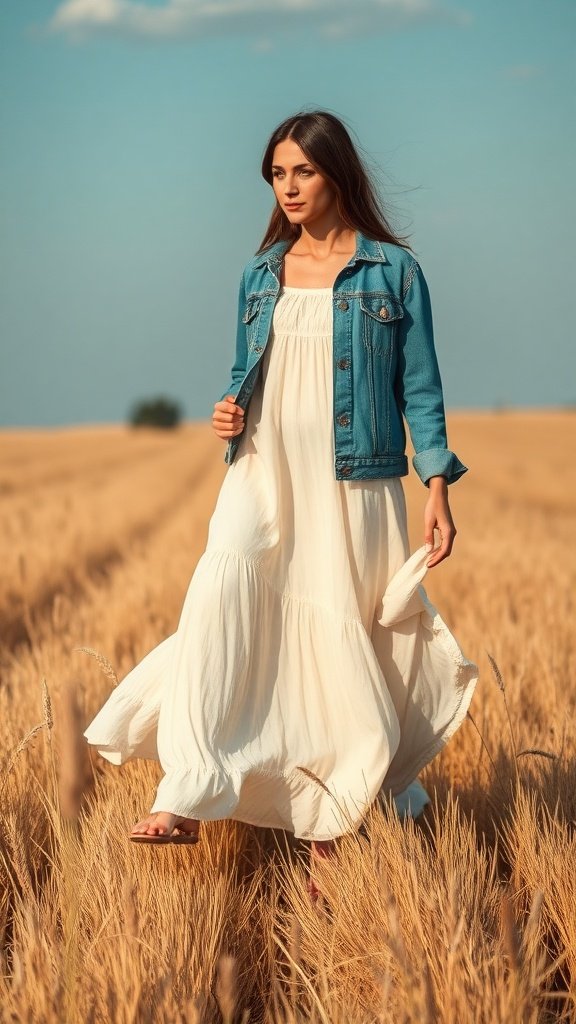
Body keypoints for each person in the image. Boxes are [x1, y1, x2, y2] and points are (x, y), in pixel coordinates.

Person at [83, 110, 477, 895]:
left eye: (302, 171)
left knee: (335, 637)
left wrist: (435, 486)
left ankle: (330, 820)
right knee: (219, 602)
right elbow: (241, 377)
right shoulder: (259, 273)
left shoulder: (392, 272)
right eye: (276, 174)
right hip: (260, 468)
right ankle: (189, 788)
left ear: (337, 174)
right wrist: (228, 410)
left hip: (351, 480)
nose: (287, 187)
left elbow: (421, 390)